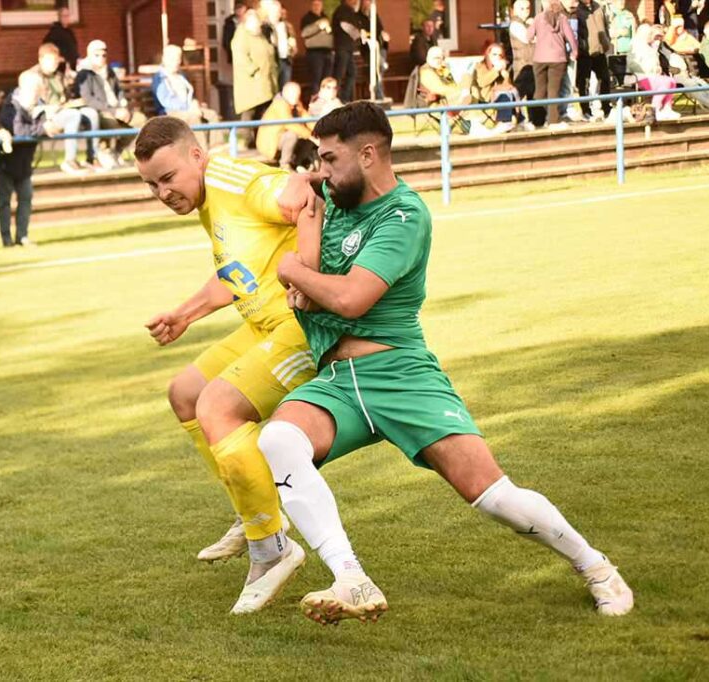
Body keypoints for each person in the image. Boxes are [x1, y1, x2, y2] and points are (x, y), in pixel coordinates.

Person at [261, 101, 635, 624]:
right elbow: (303, 246)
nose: (321, 170)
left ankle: (595, 567)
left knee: (492, 495)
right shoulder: (332, 194)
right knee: (277, 439)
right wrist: (301, 220)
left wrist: (290, 272)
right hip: (338, 382)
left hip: (400, 373)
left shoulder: (405, 215)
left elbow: (349, 299)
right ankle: (351, 578)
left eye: (330, 158)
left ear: (368, 154)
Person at [133, 115, 321, 614]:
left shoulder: (232, 181)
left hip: (300, 328)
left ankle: (271, 548)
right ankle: (253, 508)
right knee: (186, 393)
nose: (161, 193)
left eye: (168, 178)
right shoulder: (206, 198)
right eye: (151, 184)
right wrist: (185, 314)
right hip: (262, 324)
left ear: (197, 156)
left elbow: (302, 197)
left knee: (217, 406)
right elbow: (236, 274)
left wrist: (309, 277)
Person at [0, 70, 61, 249]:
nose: (37, 93)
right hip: (5, 162)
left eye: (38, 89)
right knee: (4, 203)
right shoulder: (10, 105)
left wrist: (51, 126)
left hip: (25, 163)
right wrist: (42, 129)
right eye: (34, 89)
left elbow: (45, 125)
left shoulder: (39, 105)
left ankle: (22, 236)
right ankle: (6, 240)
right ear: (23, 87)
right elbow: (19, 130)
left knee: (26, 199)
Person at [74, 40, 146, 167]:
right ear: (90, 55)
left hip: (117, 109)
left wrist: (123, 108)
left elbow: (119, 92)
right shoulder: (85, 74)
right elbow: (88, 99)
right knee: (113, 124)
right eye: (97, 55)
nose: (101, 58)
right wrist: (113, 111)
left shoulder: (110, 72)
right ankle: (105, 151)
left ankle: (116, 151)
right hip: (100, 112)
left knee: (141, 121)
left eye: (104, 55)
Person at [33, 43, 97, 174]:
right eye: (52, 60)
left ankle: (92, 157)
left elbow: (64, 96)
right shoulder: (33, 77)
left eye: (56, 60)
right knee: (73, 115)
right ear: (41, 59)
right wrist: (49, 109)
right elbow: (32, 105)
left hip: (63, 110)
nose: (55, 63)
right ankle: (70, 161)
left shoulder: (58, 75)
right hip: (47, 117)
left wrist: (71, 101)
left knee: (91, 113)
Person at [151, 44, 221, 148]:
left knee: (212, 115)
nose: (177, 62)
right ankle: (200, 150)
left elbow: (189, 94)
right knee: (193, 117)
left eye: (179, 59)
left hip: (187, 107)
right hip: (169, 111)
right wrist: (188, 108)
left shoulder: (181, 75)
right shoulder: (160, 78)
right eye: (174, 59)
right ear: (165, 59)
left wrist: (194, 103)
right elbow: (165, 101)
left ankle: (217, 147)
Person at [232, 10, 278, 149]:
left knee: (262, 113)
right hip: (252, 83)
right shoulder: (242, 36)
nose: (258, 23)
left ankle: (259, 142)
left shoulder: (260, 36)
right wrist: (254, 70)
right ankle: (243, 142)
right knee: (249, 112)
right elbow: (240, 56)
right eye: (255, 21)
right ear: (248, 22)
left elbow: (269, 52)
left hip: (265, 81)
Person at [529, 2, 578, 129]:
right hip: (558, 59)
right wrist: (575, 51)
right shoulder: (562, 18)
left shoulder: (538, 18)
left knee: (539, 90)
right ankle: (553, 121)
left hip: (539, 58)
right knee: (553, 91)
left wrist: (536, 40)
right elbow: (571, 37)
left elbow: (528, 36)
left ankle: (537, 120)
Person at [256, 82, 317, 170]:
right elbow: (290, 124)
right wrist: (310, 135)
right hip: (271, 142)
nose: (296, 97)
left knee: (308, 141)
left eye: (298, 94)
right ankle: (285, 164)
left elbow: (306, 118)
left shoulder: (296, 104)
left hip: (282, 138)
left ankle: (297, 163)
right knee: (292, 135)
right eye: (294, 94)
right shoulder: (279, 104)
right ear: (286, 94)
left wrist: (318, 132)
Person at [627, 23, 680, 120]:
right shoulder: (635, 45)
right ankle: (656, 109)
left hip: (653, 76)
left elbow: (655, 62)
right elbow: (631, 64)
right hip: (641, 77)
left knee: (671, 81)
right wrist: (648, 70)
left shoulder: (650, 46)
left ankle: (667, 108)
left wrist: (658, 68)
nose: (651, 36)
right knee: (666, 82)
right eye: (649, 34)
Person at [509, 0, 545, 129]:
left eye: (527, 8)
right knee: (518, 94)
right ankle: (512, 119)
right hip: (523, 66)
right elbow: (527, 38)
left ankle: (537, 122)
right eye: (521, 8)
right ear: (514, 10)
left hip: (534, 64)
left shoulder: (528, 23)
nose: (525, 11)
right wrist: (534, 28)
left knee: (535, 95)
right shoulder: (515, 24)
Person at [576, 0, 613, 120]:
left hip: (600, 50)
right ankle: (586, 110)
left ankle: (606, 108)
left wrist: (607, 41)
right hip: (585, 52)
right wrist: (581, 46)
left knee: (605, 79)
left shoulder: (598, 6)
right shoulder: (577, 8)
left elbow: (604, 25)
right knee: (584, 82)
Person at [471, 43, 518, 128]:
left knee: (511, 94)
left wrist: (506, 78)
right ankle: (505, 123)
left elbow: (508, 88)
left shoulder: (503, 69)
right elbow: (482, 83)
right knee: (504, 96)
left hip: (498, 96)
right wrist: (495, 70)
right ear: (488, 54)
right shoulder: (480, 66)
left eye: (500, 55)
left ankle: (517, 121)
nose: (497, 57)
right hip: (484, 97)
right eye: (494, 54)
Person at [301, 0, 335, 98]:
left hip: (328, 52)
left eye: (318, 5)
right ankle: (316, 102)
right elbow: (304, 33)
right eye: (314, 4)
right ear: (311, 6)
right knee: (316, 79)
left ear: (322, 6)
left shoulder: (326, 17)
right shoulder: (307, 18)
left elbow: (330, 33)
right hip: (315, 53)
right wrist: (318, 25)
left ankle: (326, 100)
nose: (316, 7)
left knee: (327, 80)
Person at [331, 0, 362, 102]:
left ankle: (344, 98)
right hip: (342, 47)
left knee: (351, 72)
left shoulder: (349, 11)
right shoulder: (342, 10)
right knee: (339, 74)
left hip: (347, 48)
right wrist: (358, 35)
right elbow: (345, 25)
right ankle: (337, 98)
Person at [43, 3, 79, 72]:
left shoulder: (69, 31)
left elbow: (73, 47)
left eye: (68, 16)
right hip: (61, 67)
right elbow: (46, 47)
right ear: (59, 17)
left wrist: (76, 57)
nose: (66, 18)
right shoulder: (54, 32)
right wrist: (58, 58)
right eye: (64, 16)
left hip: (72, 65)